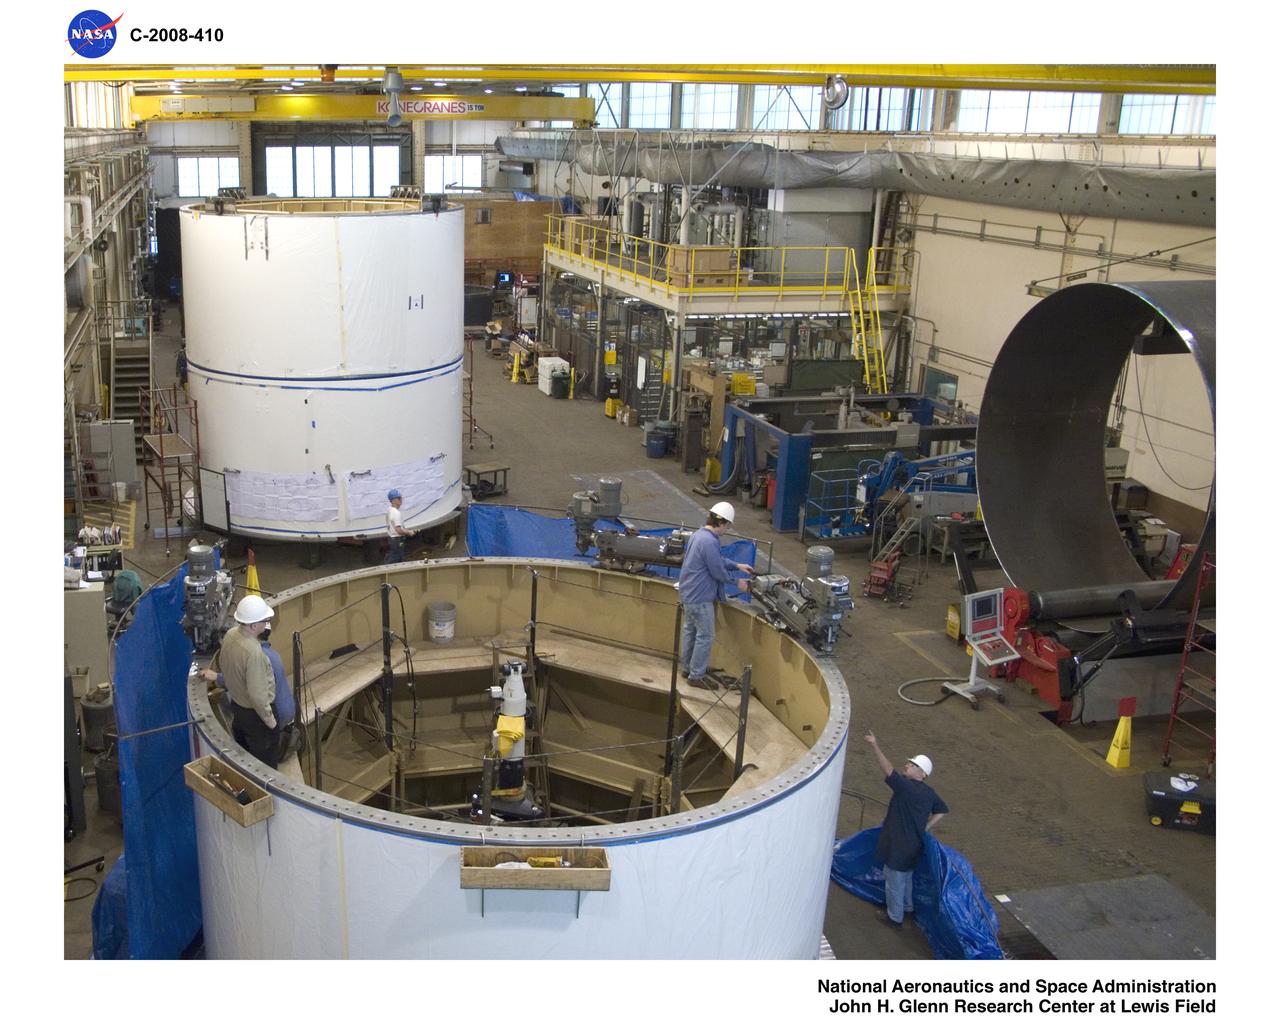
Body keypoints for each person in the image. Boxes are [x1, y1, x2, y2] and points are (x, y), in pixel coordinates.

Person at [864, 730, 949, 926]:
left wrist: (875, 745)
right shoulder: (929, 793)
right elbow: (942, 810)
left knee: (894, 881)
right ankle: (908, 908)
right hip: (913, 845)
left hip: (898, 846)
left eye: (912, 764)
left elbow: (887, 768)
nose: (907, 765)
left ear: (921, 773)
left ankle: (895, 917)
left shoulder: (906, 787)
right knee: (907, 878)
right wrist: (926, 827)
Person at [676, 501, 754, 690]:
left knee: (690, 631)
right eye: (727, 526)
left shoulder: (699, 535)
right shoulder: (710, 541)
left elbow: (716, 559)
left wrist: (737, 565)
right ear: (721, 522)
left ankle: (688, 668)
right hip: (701, 597)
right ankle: (696, 675)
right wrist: (737, 582)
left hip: (688, 594)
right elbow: (717, 570)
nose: (726, 530)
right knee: (706, 635)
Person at [199, 595, 281, 767]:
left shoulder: (230, 635)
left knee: (246, 754)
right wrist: (270, 721)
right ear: (253, 626)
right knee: (266, 762)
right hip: (256, 716)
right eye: (264, 620)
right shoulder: (253, 652)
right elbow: (258, 696)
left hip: (238, 708)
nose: (266, 623)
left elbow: (225, 666)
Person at [202, 621, 298, 763]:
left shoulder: (257, 656)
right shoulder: (273, 654)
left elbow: (254, 691)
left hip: (276, 714)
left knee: (250, 735)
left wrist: (217, 677)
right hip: (289, 710)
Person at [385, 489, 415, 563]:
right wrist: (409, 532)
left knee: (395, 555)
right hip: (397, 540)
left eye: (400, 498)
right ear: (393, 500)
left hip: (392, 538)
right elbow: (398, 530)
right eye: (399, 498)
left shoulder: (389, 510)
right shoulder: (396, 513)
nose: (401, 500)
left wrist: (406, 530)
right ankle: (388, 568)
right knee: (396, 558)